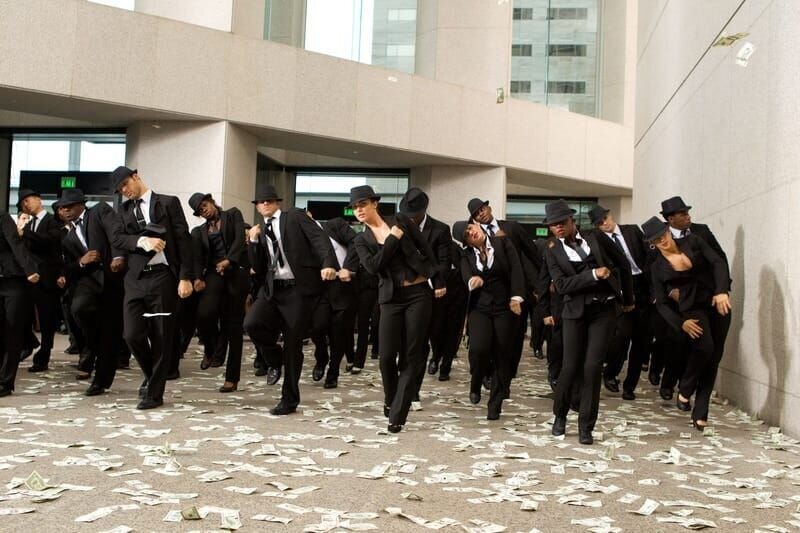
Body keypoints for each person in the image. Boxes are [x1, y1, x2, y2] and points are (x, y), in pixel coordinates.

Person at [543, 200, 634, 445]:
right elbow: (562, 285)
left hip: (603, 310)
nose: (558, 228)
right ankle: (560, 415)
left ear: (572, 221)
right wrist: (593, 274)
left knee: (593, 367)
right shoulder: (551, 249)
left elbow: (623, 264)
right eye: (553, 225)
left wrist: (628, 299)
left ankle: (586, 426)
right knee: (570, 366)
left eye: (562, 223)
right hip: (574, 312)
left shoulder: (596, 237)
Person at [244, 184, 337, 415]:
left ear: (277, 202)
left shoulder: (293, 216)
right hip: (272, 290)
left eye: (269, 200)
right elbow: (257, 267)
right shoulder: (259, 231)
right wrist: (253, 242)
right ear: (257, 207)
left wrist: (328, 263)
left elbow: (319, 238)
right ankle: (275, 360)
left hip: (297, 290)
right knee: (252, 324)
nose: (265, 204)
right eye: (261, 202)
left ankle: (289, 400)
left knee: (293, 345)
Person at [351, 185, 436, 433]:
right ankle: (391, 398)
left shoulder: (400, 220)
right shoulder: (361, 240)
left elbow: (424, 246)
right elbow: (373, 267)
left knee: (412, 355)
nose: (359, 210)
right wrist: (392, 239)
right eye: (355, 207)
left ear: (374, 204)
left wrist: (434, 274)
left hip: (418, 294)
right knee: (386, 357)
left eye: (362, 205)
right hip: (390, 298)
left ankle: (398, 413)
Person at [109, 166, 195, 410]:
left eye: (125, 184)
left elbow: (184, 240)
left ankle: (154, 394)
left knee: (161, 337)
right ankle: (152, 376)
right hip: (135, 279)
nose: (124, 191)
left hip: (163, 278)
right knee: (131, 335)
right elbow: (116, 238)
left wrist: (185, 277)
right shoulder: (123, 210)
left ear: (136, 177)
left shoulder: (167, 203)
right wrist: (141, 240)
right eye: (120, 190)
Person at [642, 216, 731, 431]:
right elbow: (662, 303)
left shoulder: (694, 241)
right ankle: (686, 386)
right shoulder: (657, 267)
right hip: (691, 308)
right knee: (705, 347)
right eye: (657, 240)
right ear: (652, 243)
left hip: (716, 300)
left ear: (668, 231)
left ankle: (700, 411)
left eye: (664, 235)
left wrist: (721, 290)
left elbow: (718, 262)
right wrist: (680, 323)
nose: (663, 241)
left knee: (714, 357)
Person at [654, 196, 731, 398]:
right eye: (682, 214)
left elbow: (719, 259)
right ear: (670, 219)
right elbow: (653, 273)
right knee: (677, 343)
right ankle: (669, 384)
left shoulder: (700, 233)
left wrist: (722, 289)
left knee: (707, 349)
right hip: (679, 302)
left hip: (710, 297)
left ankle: (690, 393)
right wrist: (670, 292)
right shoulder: (658, 240)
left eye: (687, 212)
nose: (688, 216)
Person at [452, 221, 524, 420]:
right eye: (467, 234)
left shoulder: (503, 243)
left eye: (471, 228)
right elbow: (466, 274)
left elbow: (516, 269)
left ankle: (495, 405)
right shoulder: (466, 255)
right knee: (479, 349)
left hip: (504, 306)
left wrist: (516, 297)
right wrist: (472, 280)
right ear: (466, 242)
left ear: (477, 226)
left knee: (502, 353)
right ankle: (476, 382)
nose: (471, 232)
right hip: (480, 308)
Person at [56, 189, 125, 396]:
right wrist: (81, 261)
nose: (65, 211)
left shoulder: (99, 211)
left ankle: (100, 381)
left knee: (111, 334)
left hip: (113, 278)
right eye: (62, 208)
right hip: (89, 280)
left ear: (81, 204)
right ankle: (90, 345)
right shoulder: (67, 238)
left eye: (69, 206)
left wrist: (118, 256)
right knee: (78, 309)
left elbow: (115, 232)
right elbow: (69, 267)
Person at [468, 198, 541, 382]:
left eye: (482, 209)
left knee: (514, 334)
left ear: (489, 208)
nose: (481, 214)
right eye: (476, 214)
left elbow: (532, 254)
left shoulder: (512, 227)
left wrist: (541, 283)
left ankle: (507, 373)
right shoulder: (474, 234)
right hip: (487, 294)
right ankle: (487, 373)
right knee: (487, 337)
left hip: (515, 290)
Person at [589, 205, 652, 400]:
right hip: (621, 289)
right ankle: (610, 373)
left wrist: (653, 287)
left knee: (641, 341)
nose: (604, 224)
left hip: (642, 285)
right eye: (599, 223)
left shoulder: (632, 231)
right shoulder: (599, 241)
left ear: (611, 215)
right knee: (621, 336)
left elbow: (649, 256)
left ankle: (630, 386)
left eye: (605, 219)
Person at [188, 192, 249, 393]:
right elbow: (197, 258)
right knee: (204, 314)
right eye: (200, 211)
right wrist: (197, 278)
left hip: (236, 271)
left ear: (211, 202)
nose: (204, 211)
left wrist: (229, 260)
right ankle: (210, 348)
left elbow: (239, 239)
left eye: (204, 206)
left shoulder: (233, 214)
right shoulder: (199, 232)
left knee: (234, 326)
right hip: (215, 273)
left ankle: (232, 378)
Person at [397, 188, 449, 390]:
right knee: (404, 341)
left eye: (414, 215)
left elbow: (443, 261)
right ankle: (404, 382)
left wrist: (439, 283)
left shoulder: (440, 230)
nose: (410, 219)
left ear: (424, 211)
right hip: (401, 289)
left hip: (428, 290)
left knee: (420, 340)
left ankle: (414, 387)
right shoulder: (396, 227)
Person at [308, 215, 359, 388]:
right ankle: (321, 357)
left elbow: (356, 241)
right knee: (317, 327)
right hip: (319, 289)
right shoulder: (301, 237)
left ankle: (333, 372)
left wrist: (348, 267)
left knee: (339, 332)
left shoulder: (334, 225)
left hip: (342, 285)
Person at [17, 189, 65, 373]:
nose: (25, 205)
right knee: (21, 313)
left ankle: (44, 355)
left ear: (38, 199)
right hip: (29, 278)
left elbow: (50, 241)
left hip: (48, 277)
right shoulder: (28, 225)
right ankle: (28, 342)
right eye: (22, 203)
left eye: (27, 200)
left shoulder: (53, 222)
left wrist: (25, 233)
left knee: (47, 319)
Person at [0, 210, 40, 397]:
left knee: (12, 330)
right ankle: (28, 341)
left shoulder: (2, 217)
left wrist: (29, 269)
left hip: (13, 281)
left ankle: (5, 382)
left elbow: (15, 242)